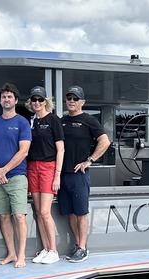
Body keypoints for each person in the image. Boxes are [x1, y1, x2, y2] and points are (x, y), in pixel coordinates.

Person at [59, 85, 111, 262]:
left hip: (79, 174)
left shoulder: (89, 120)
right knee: (70, 213)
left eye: (75, 98)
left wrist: (90, 160)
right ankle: (77, 244)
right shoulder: (61, 120)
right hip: (62, 175)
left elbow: (105, 141)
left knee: (81, 212)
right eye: (69, 98)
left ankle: (83, 248)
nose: (71, 101)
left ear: (82, 102)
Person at [0, 83, 32, 268]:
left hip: (17, 177)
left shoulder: (22, 122)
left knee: (19, 216)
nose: (6, 99)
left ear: (15, 100)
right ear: (0, 100)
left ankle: (21, 256)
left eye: (10, 97)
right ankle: (11, 253)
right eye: (4, 97)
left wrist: (3, 170)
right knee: (3, 216)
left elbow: (24, 151)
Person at [25, 86, 64, 265]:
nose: (37, 103)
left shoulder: (53, 120)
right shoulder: (31, 121)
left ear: (45, 101)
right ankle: (46, 248)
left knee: (45, 211)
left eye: (40, 100)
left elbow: (60, 149)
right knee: (38, 212)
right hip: (33, 167)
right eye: (34, 100)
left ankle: (54, 250)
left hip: (49, 167)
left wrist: (57, 175)